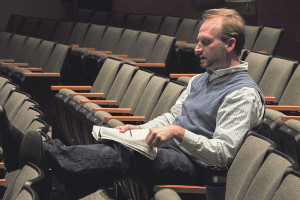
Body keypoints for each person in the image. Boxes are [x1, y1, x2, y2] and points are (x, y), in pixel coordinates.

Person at [22, 8, 265, 199]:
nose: (197, 49)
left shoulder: (242, 94)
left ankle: (46, 154)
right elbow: (172, 117)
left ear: (230, 44)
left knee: (130, 156)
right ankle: (53, 187)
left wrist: (179, 134)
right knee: (125, 145)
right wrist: (140, 130)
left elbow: (222, 155)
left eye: (205, 42)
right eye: (198, 41)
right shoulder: (200, 80)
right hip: (176, 153)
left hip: (199, 168)